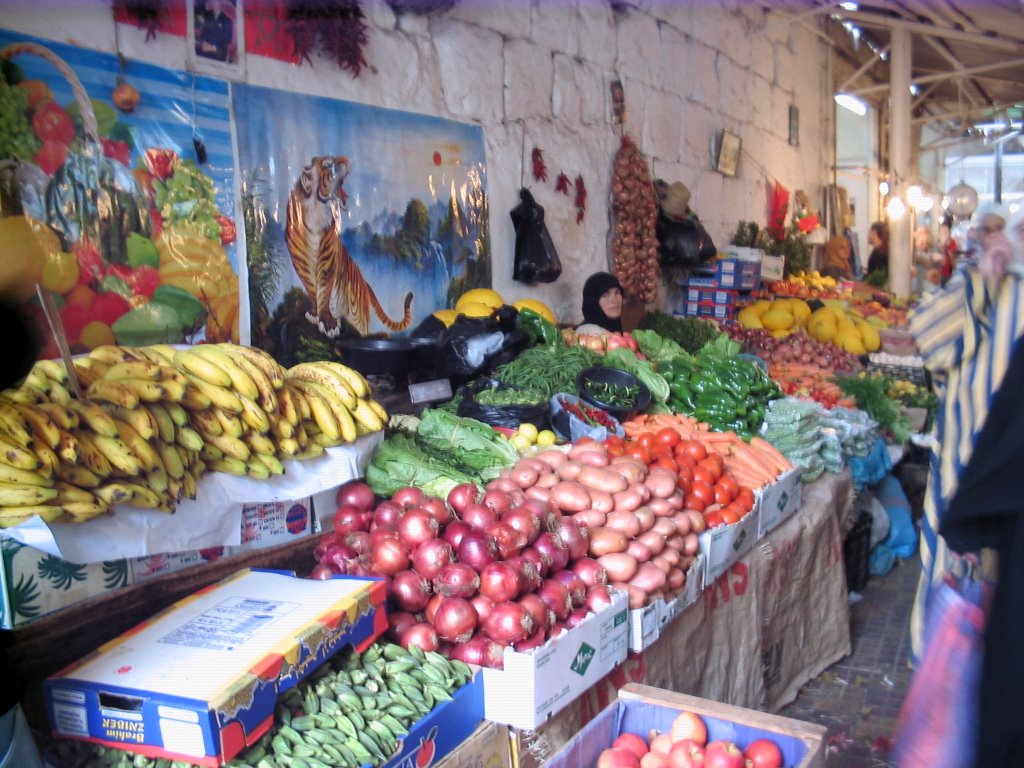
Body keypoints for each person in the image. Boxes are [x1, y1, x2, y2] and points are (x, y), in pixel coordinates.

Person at [906, 201, 1024, 767]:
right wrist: (981, 274)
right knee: (956, 655)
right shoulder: (990, 284)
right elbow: (926, 336)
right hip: (967, 502)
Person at [938, 220, 958, 285]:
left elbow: (953, 257)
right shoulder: (936, 241)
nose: (944, 232)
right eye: (942, 231)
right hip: (937, 272)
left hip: (948, 272)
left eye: (945, 231)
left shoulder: (952, 242)